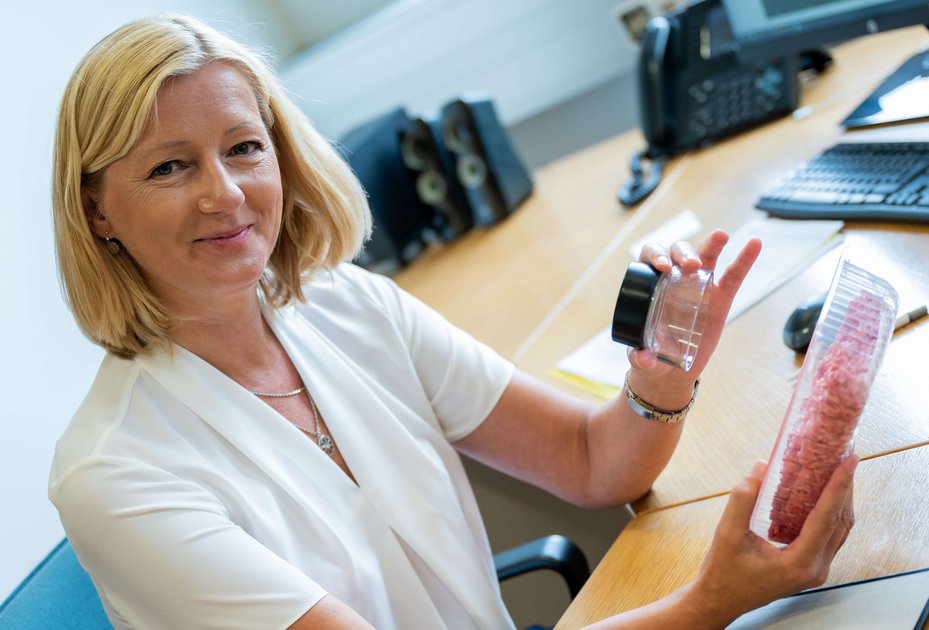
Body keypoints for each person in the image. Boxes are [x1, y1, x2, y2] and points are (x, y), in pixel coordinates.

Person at [48, 13, 855, 630]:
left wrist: (661, 374)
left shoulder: (344, 303)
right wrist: (709, 601)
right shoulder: (115, 474)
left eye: (244, 148)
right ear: (97, 211)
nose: (224, 193)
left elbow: (591, 463)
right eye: (168, 166)